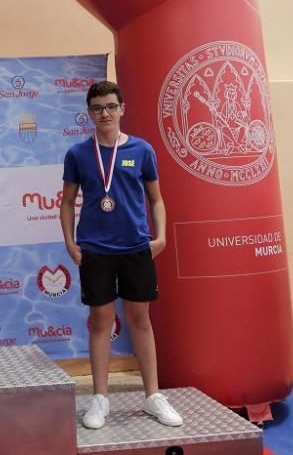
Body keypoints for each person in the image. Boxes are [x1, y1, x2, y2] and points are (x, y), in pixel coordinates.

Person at [60, 80, 183, 429]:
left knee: (140, 320)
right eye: (97, 108)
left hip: (135, 248)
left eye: (111, 106)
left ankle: (153, 396)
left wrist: (159, 238)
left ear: (122, 109)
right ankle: (99, 398)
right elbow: (67, 202)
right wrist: (70, 243)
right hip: (95, 250)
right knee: (100, 323)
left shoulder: (143, 150)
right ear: (89, 113)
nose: (105, 114)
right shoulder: (78, 154)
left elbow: (156, 199)